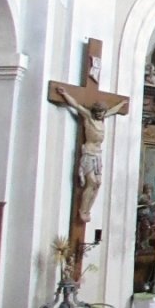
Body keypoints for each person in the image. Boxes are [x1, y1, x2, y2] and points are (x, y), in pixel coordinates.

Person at [56, 86, 127, 222]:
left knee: (98, 183)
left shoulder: (102, 118)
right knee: (91, 182)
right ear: (95, 111)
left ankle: (88, 210)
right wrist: (65, 94)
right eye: (98, 111)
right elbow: (75, 105)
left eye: (102, 112)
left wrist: (121, 104)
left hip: (98, 154)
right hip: (89, 152)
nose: (100, 114)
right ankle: (82, 210)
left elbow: (113, 111)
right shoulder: (89, 117)